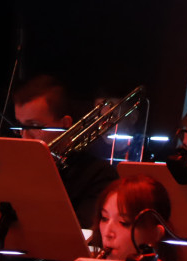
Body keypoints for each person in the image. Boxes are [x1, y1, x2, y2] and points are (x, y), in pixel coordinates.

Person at [12, 75, 118, 230]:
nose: (25, 136)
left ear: (65, 124)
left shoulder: (98, 175)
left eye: (34, 125)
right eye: (20, 126)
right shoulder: (13, 169)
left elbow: (80, 236)